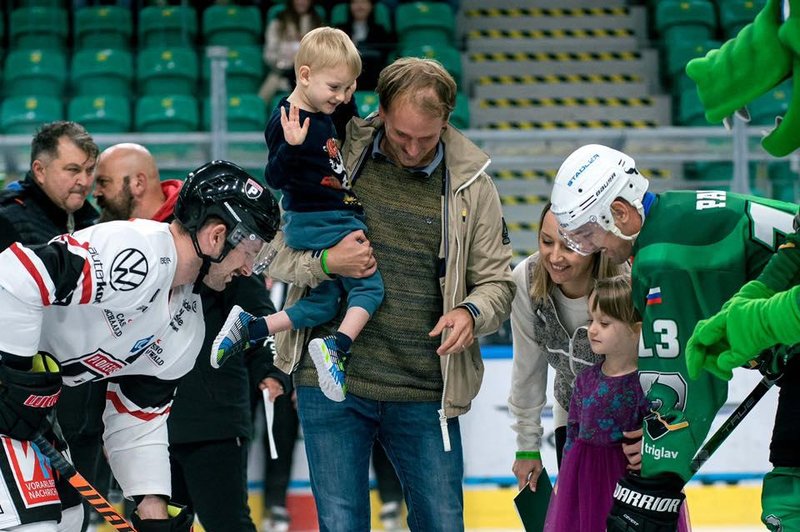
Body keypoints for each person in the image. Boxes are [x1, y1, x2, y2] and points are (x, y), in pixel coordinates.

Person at [265, 56, 515, 530]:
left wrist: (469, 312)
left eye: (428, 136)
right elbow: (275, 256)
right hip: (332, 386)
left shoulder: (474, 187)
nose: (414, 148)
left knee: (443, 522)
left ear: (447, 119)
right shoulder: (331, 151)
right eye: (402, 135)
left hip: (426, 390)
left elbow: (499, 284)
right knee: (341, 523)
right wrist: (325, 264)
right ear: (378, 110)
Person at [0, 159, 280, 531]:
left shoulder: (187, 327)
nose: (248, 269)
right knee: (34, 525)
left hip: (22, 410)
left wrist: (154, 514)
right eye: (251, 250)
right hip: (11, 394)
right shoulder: (137, 251)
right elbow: (14, 274)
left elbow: (137, 420)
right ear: (216, 236)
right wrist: (12, 376)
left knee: (70, 519)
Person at [549, 143, 797, 530]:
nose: (588, 246)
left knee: (792, 496)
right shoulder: (675, 215)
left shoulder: (665, 258)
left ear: (619, 212)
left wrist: (656, 472)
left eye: (586, 232)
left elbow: (681, 372)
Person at [92, 143, 288, 532]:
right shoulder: (111, 243)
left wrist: (271, 367)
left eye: (104, 181)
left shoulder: (212, 234)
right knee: (162, 523)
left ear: (137, 183)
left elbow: (256, 305)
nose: (94, 190)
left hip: (207, 418)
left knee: (226, 522)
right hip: (143, 416)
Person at [214, 27, 382, 403]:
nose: (341, 97)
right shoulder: (288, 119)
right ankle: (335, 346)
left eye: (349, 89)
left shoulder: (321, 110)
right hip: (326, 219)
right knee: (370, 287)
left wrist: (349, 101)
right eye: (335, 88)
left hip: (318, 218)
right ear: (304, 75)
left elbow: (344, 126)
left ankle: (254, 328)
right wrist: (289, 147)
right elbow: (274, 176)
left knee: (324, 301)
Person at [0, 121, 106, 531]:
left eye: (88, 170)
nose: (83, 182)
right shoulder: (10, 220)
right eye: (72, 170)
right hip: (26, 401)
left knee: (77, 515)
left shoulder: (90, 223)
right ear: (39, 170)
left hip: (78, 397)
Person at [544, 275, 685, 532]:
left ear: (637, 329)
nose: (592, 329)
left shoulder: (648, 384)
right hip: (586, 479)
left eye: (604, 323)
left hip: (632, 484)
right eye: (591, 320)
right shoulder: (585, 380)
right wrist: (564, 476)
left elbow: (667, 433)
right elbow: (573, 432)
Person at [508, 202, 624, 492]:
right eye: (547, 242)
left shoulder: (626, 278)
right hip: (571, 409)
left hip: (628, 416)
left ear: (594, 243)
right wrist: (527, 446)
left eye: (569, 246)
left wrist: (650, 432)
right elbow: (527, 368)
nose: (555, 257)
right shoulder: (526, 278)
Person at [258, 0, 324, 104]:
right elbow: (269, 54)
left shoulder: (318, 24)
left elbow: (324, 53)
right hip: (282, 71)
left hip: (311, 74)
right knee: (267, 90)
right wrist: (285, 58)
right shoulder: (279, 22)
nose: (302, 2)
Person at [335, 0, 395, 91]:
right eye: (355, 2)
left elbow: (384, 54)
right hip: (347, 73)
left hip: (373, 75)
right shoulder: (340, 30)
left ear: (371, 6)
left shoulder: (380, 31)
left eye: (364, 2)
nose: (360, 6)